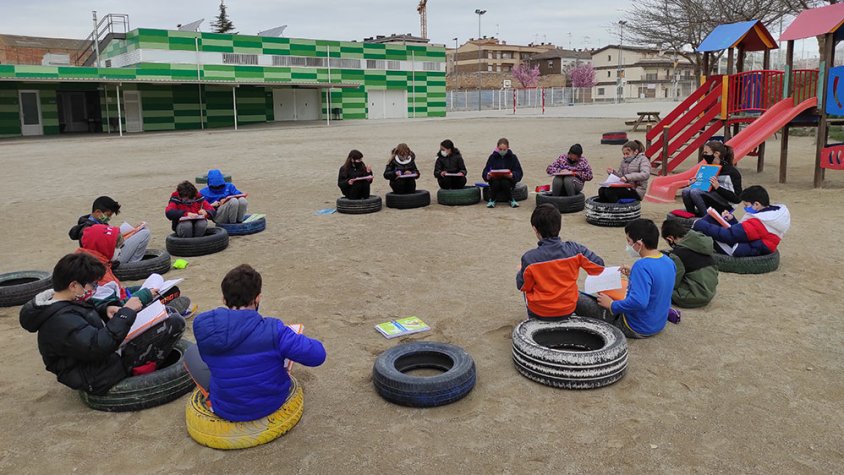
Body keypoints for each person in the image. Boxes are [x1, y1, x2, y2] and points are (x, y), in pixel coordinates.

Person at [19, 253, 185, 395]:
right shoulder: (59, 320)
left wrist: (104, 309)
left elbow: (83, 320)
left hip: (97, 360)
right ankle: (141, 374)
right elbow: (97, 347)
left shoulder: (63, 302)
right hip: (96, 375)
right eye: (93, 284)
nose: (95, 288)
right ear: (74, 286)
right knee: (173, 324)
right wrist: (126, 312)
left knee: (166, 315)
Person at [185, 264, 326, 422]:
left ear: (224, 299)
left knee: (191, 352)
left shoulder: (204, 326)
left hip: (226, 409)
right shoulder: (275, 330)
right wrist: (290, 337)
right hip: (272, 402)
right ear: (257, 298)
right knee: (276, 351)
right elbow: (318, 355)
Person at [77, 224, 191, 314]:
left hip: (120, 307)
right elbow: (115, 308)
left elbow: (117, 292)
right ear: (104, 247)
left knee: (159, 287)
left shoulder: (93, 263)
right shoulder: (97, 273)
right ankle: (164, 312)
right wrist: (145, 294)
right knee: (172, 292)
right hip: (123, 316)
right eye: (117, 247)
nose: (120, 250)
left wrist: (138, 289)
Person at [517, 204, 606, 320]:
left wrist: (521, 271)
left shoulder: (529, 258)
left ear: (535, 229)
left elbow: (522, 285)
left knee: (524, 279)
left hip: (540, 312)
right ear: (559, 226)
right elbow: (599, 266)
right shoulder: (576, 250)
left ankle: (533, 320)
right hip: (567, 309)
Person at [590, 219, 675, 338]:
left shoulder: (641, 266)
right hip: (658, 323)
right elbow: (657, 286)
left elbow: (639, 302)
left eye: (629, 241)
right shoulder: (668, 261)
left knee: (583, 300)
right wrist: (632, 276)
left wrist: (612, 305)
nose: (628, 245)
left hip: (636, 327)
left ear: (639, 244)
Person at [692, 185, 790, 257]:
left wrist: (700, 225)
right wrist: (732, 220)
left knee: (704, 226)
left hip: (738, 249)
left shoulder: (759, 223)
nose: (745, 208)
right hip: (747, 244)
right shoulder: (771, 215)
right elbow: (744, 231)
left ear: (756, 204)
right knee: (711, 220)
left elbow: (729, 235)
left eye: (746, 205)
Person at [69, 196, 151, 264]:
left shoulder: (93, 223)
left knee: (139, 231)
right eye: (108, 215)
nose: (109, 218)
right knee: (145, 233)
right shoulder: (91, 229)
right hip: (109, 259)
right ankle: (133, 265)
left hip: (111, 254)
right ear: (98, 212)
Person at [661, 219, 718, 308]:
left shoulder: (677, 255)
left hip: (692, 297)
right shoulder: (701, 245)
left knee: (659, 289)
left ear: (670, 238)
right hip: (709, 293)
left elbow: (673, 283)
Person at [682, 141, 743, 216]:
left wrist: (718, 187)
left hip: (727, 205)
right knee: (686, 191)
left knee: (695, 192)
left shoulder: (731, 172)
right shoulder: (708, 168)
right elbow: (706, 188)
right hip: (712, 198)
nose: (704, 155)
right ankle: (691, 215)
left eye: (706, 152)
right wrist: (696, 182)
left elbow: (737, 199)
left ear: (716, 154)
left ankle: (706, 218)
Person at [482, 137, 524, 208]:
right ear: (497, 148)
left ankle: (511, 200)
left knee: (505, 182)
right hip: (494, 180)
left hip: (509, 180)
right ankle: (492, 200)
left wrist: (512, 175)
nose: (502, 151)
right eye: (500, 149)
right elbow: (486, 170)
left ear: (508, 148)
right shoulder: (492, 157)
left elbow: (519, 171)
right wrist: (488, 175)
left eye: (504, 149)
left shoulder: (513, 157)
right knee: (496, 183)